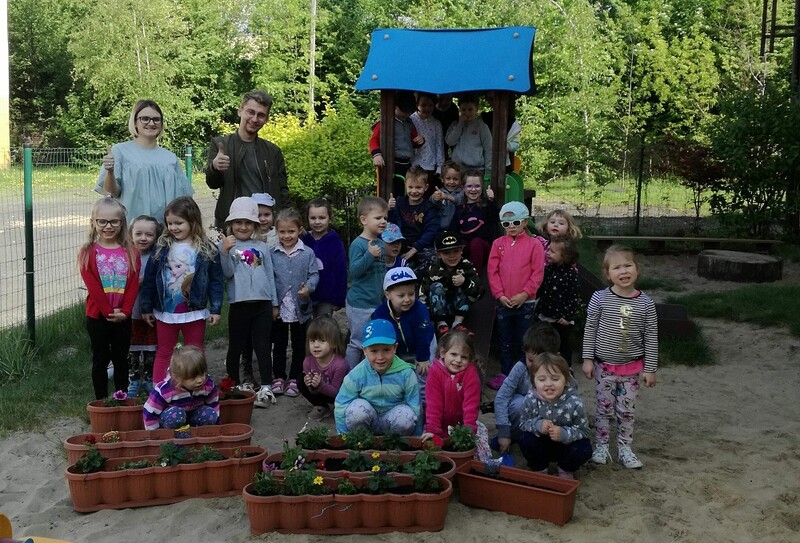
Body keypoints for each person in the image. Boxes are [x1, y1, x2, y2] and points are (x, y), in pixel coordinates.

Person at [582, 245, 658, 469]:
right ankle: (602, 446)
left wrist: (650, 368)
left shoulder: (646, 303)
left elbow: (651, 337)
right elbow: (590, 329)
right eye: (616, 267)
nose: (623, 271)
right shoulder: (600, 298)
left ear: (637, 269)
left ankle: (625, 448)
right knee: (603, 408)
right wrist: (587, 359)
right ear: (608, 274)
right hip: (603, 367)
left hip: (631, 369)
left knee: (626, 411)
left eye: (628, 265)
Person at [140, 196, 223, 384]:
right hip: (166, 312)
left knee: (195, 350)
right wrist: (146, 307)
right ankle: (160, 390)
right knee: (164, 351)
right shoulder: (161, 248)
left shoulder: (207, 248)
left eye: (179, 223)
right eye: (170, 223)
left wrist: (216, 309)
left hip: (194, 311)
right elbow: (150, 279)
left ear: (193, 221)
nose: (173, 227)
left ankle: (198, 387)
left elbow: (216, 281)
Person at [78, 196, 140, 399]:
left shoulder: (131, 252)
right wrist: (108, 312)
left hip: (123, 316)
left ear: (122, 223)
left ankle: (122, 398)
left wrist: (126, 312)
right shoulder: (88, 252)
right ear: (93, 223)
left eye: (114, 221)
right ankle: (101, 401)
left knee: (121, 358)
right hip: (97, 317)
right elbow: (93, 287)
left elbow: (132, 285)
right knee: (101, 359)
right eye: (102, 221)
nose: (108, 226)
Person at [97, 100, 194, 223]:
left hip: (164, 229)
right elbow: (112, 192)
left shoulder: (170, 158)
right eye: (145, 119)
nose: (151, 123)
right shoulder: (120, 152)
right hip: (132, 227)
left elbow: (184, 198)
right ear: (135, 122)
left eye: (156, 119)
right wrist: (110, 172)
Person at [205, 90, 289, 230]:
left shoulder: (273, 151)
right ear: (240, 111)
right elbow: (212, 183)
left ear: (266, 119)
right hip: (233, 225)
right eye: (250, 112)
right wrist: (214, 167)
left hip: (264, 225)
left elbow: (283, 192)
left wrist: (288, 221)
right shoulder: (221, 145)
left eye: (261, 115)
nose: (254, 119)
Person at [219, 197, 277, 396]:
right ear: (231, 224)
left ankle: (267, 385)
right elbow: (227, 274)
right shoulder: (227, 245)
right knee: (236, 346)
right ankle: (232, 385)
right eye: (238, 222)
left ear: (255, 225)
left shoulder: (262, 247)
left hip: (263, 304)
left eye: (248, 223)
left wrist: (274, 303)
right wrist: (224, 251)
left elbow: (270, 275)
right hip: (239, 304)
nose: (243, 227)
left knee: (262, 346)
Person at [487, 201, 545, 388]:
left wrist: (525, 294)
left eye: (515, 222)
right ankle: (506, 374)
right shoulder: (498, 244)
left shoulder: (534, 244)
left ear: (525, 222)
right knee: (505, 340)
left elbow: (537, 273)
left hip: (525, 303)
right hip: (503, 302)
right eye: (506, 224)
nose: (511, 227)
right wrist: (499, 295)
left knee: (525, 341)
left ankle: (524, 376)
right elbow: (492, 272)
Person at [334, 319, 422, 435]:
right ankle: (362, 441)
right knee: (357, 411)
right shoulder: (357, 374)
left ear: (395, 348)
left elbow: (415, 406)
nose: (380, 357)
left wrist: (416, 438)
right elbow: (342, 404)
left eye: (386, 350)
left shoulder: (406, 373)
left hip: (393, 420)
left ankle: (396, 443)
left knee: (406, 417)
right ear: (364, 350)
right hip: (368, 421)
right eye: (374, 351)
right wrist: (342, 436)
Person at [270, 208, 319, 398]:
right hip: (280, 308)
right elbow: (269, 279)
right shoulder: (272, 253)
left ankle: (295, 377)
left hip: (300, 307)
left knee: (299, 344)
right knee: (279, 344)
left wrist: (309, 288)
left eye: (291, 231)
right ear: (277, 231)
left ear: (299, 230)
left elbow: (314, 274)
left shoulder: (307, 253)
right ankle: (278, 376)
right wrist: (273, 304)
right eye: (282, 232)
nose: (287, 236)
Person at [518, 353, 592, 479]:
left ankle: (565, 469)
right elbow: (523, 423)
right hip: (541, 445)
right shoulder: (530, 399)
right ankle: (540, 468)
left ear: (566, 381)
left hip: (566, 447)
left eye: (555, 379)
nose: (548, 384)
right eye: (542, 379)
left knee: (584, 447)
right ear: (534, 382)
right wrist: (538, 425)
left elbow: (584, 431)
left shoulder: (575, 403)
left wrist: (564, 433)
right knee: (525, 439)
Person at [492, 322, 561, 454]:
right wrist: (504, 433)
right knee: (520, 404)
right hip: (522, 413)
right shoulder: (520, 368)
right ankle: (513, 436)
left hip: (546, 418)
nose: (534, 366)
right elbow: (501, 397)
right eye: (530, 360)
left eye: (540, 362)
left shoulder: (559, 372)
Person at [372, 267, 434, 401]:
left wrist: (423, 358)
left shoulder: (420, 309)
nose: (407, 299)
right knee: (397, 374)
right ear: (388, 295)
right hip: (398, 349)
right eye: (401, 296)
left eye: (411, 294)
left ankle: (425, 400)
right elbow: (380, 338)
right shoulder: (380, 313)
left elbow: (423, 335)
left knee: (424, 371)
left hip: (423, 343)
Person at [345, 196, 388, 369]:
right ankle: (349, 377)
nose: (383, 221)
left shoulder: (380, 243)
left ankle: (369, 374)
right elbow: (354, 272)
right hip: (360, 304)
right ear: (363, 220)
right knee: (358, 342)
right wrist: (369, 255)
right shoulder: (358, 244)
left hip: (377, 303)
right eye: (378, 218)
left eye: (385, 217)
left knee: (374, 341)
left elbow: (381, 272)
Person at [420, 231, 483, 336]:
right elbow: (423, 293)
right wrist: (424, 316)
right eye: (447, 253)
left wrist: (465, 282)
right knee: (436, 286)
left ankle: (457, 323)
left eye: (456, 251)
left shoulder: (467, 266)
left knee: (463, 284)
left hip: (460, 308)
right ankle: (441, 324)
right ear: (439, 254)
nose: (452, 256)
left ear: (462, 250)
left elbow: (479, 293)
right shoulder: (433, 268)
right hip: (438, 310)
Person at [142, 345, 219, 430]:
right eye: (193, 377)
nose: (200, 380)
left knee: (210, 414)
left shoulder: (207, 385)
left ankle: (194, 433)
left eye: (202, 374)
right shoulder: (165, 390)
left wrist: (217, 427)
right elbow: (149, 411)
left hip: (193, 417)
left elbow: (214, 404)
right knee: (177, 415)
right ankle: (173, 434)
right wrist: (155, 434)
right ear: (177, 377)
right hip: (171, 419)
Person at [422, 330, 481, 440]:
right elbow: (433, 403)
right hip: (439, 426)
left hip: (462, 427)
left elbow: (471, 405)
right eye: (454, 354)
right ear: (442, 353)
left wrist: (468, 431)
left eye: (464, 357)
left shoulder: (470, 373)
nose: (458, 360)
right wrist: (433, 429)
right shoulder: (435, 371)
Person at [126, 215, 161, 397]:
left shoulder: (157, 257)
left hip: (152, 310)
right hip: (131, 310)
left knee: (150, 346)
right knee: (132, 346)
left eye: (149, 234)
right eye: (138, 234)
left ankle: (148, 378)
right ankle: (133, 379)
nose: (143, 238)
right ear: (130, 234)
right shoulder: (126, 255)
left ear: (156, 236)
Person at [535, 236, 581, 366]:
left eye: (553, 251)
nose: (548, 253)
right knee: (545, 344)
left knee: (563, 346)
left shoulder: (571, 274)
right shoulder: (548, 269)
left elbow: (574, 297)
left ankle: (566, 369)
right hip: (546, 316)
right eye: (548, 249)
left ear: (565, 256)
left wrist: (568, 316)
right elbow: (541, 289)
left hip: (562, 320)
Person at [369, 90, 424, 196]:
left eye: (409, 112)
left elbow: (413, 142)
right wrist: (376, 154)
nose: (406, 114)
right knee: (394, 191)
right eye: (403, 111)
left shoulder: (409, 123)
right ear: (394, 106)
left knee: (408, 191)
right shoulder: (385, 122)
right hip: (393, 163)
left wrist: (420, 141)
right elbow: (374, 140)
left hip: (407, 163)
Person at [300, 198, 347, 318]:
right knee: (308, 326)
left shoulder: (335, 243)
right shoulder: (303, 240)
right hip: (306, 294)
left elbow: (341, 271)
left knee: (323, 325)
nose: (317, 222)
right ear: (307, 218)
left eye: (322, 218)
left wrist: (339, 299)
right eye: (313, 218)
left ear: (329, 219)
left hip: (327, 296)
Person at [387, 166, 440, 271]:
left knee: (434, 258)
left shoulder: (429, 208)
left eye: (418, 187)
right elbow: (391, 226)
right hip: (401, 244)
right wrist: (390, 210)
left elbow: (431, 231)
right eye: (410, 187)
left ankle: (416, 277)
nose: (414, 191)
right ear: (405, 185)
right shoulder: (399, 202)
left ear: (426, 187)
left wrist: (415, 249)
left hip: (421, 245)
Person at [299, 316, 349, 421]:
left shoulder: (340, 365)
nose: (316, 345)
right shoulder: (308, 361)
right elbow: (313, 391)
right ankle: (321, 406)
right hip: (322, 391)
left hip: (340, 396)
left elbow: (337, 392)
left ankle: (338, 408)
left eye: (322, 340)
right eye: (312, 341)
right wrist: (310, 385)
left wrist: (320, 385)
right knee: (301, 379)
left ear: (334, 343)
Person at [450, 168, 497, 274]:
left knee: (476, 243)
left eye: (477, 186)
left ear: (482, 187)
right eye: (469, 186)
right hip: (466, 246)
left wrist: (491, 200)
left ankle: (475, 275)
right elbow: (453, 229)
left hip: (482, 246)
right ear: (463, 187)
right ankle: (455, 272)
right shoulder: (460, 209)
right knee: (458, 243)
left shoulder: (486, 205)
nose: (473, 189)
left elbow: (495, 217)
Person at [445, 94, 492, 172]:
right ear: (459, 109)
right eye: (463, 110)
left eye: (470, 109)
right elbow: (450, 142)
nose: (467, 113)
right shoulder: (455, 125)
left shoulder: (481, 126)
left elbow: (489, 148)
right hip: (458, 167)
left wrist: (488, 170)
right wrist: (460, 125)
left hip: (476, 168)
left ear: (476, 109)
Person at [410, 92, 445, 188]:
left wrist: (440, 167)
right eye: (423, 105)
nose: (427, 108)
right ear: (417, 104)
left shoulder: (436, 123)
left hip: (430, 165)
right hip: (414, 164)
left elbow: (439, 145)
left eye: (430, 105)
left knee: (427, 190)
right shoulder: (411, 120)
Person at [430, 160, 464, 230]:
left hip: (457, 229)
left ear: (460, 181)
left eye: (455, 179)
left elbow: (459, 200)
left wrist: (446, 197)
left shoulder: (462, 192)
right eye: (448, 178)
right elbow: (432, 202)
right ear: (442, 179)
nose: (451, 182)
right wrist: (435, 198)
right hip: (440, 228)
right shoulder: (440, 192)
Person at [432, 94, 459, 158]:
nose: (444, 103)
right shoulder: (430, 108)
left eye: (448, 99)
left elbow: (455, 130)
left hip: (448, 140)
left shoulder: (453, 109)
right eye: (440, 99)